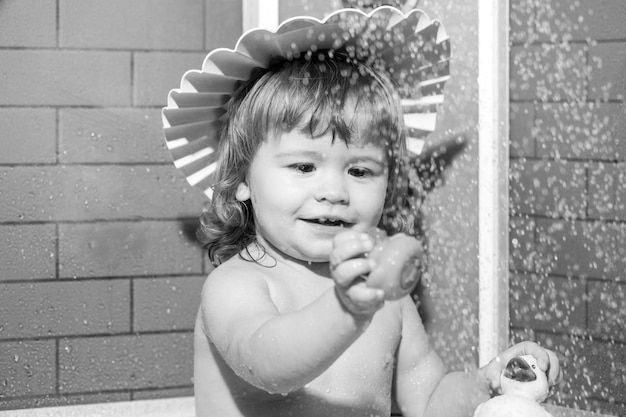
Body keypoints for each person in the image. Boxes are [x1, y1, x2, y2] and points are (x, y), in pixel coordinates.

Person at [162, 7, 561, 417]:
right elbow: (269, 365)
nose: (335, 191)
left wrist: (487, 384)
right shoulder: (238, 285)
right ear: (242, 177)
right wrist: (346, 309)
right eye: (303, 167)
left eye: (359, 170)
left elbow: (428, 400)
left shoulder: (387, 298)